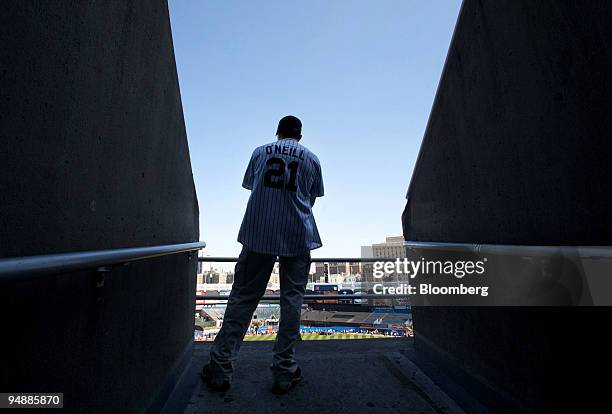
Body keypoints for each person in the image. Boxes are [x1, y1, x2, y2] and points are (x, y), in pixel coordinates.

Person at [201, 115, 324, 394]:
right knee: (292, 301)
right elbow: (311, 199)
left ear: (278, 132)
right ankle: (284, 371)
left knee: (243, 299)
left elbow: (251, 186)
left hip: (258, 231)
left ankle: (221, 369)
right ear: (300, 136)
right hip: (297, 234)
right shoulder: (312, 158)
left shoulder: (260, 152)